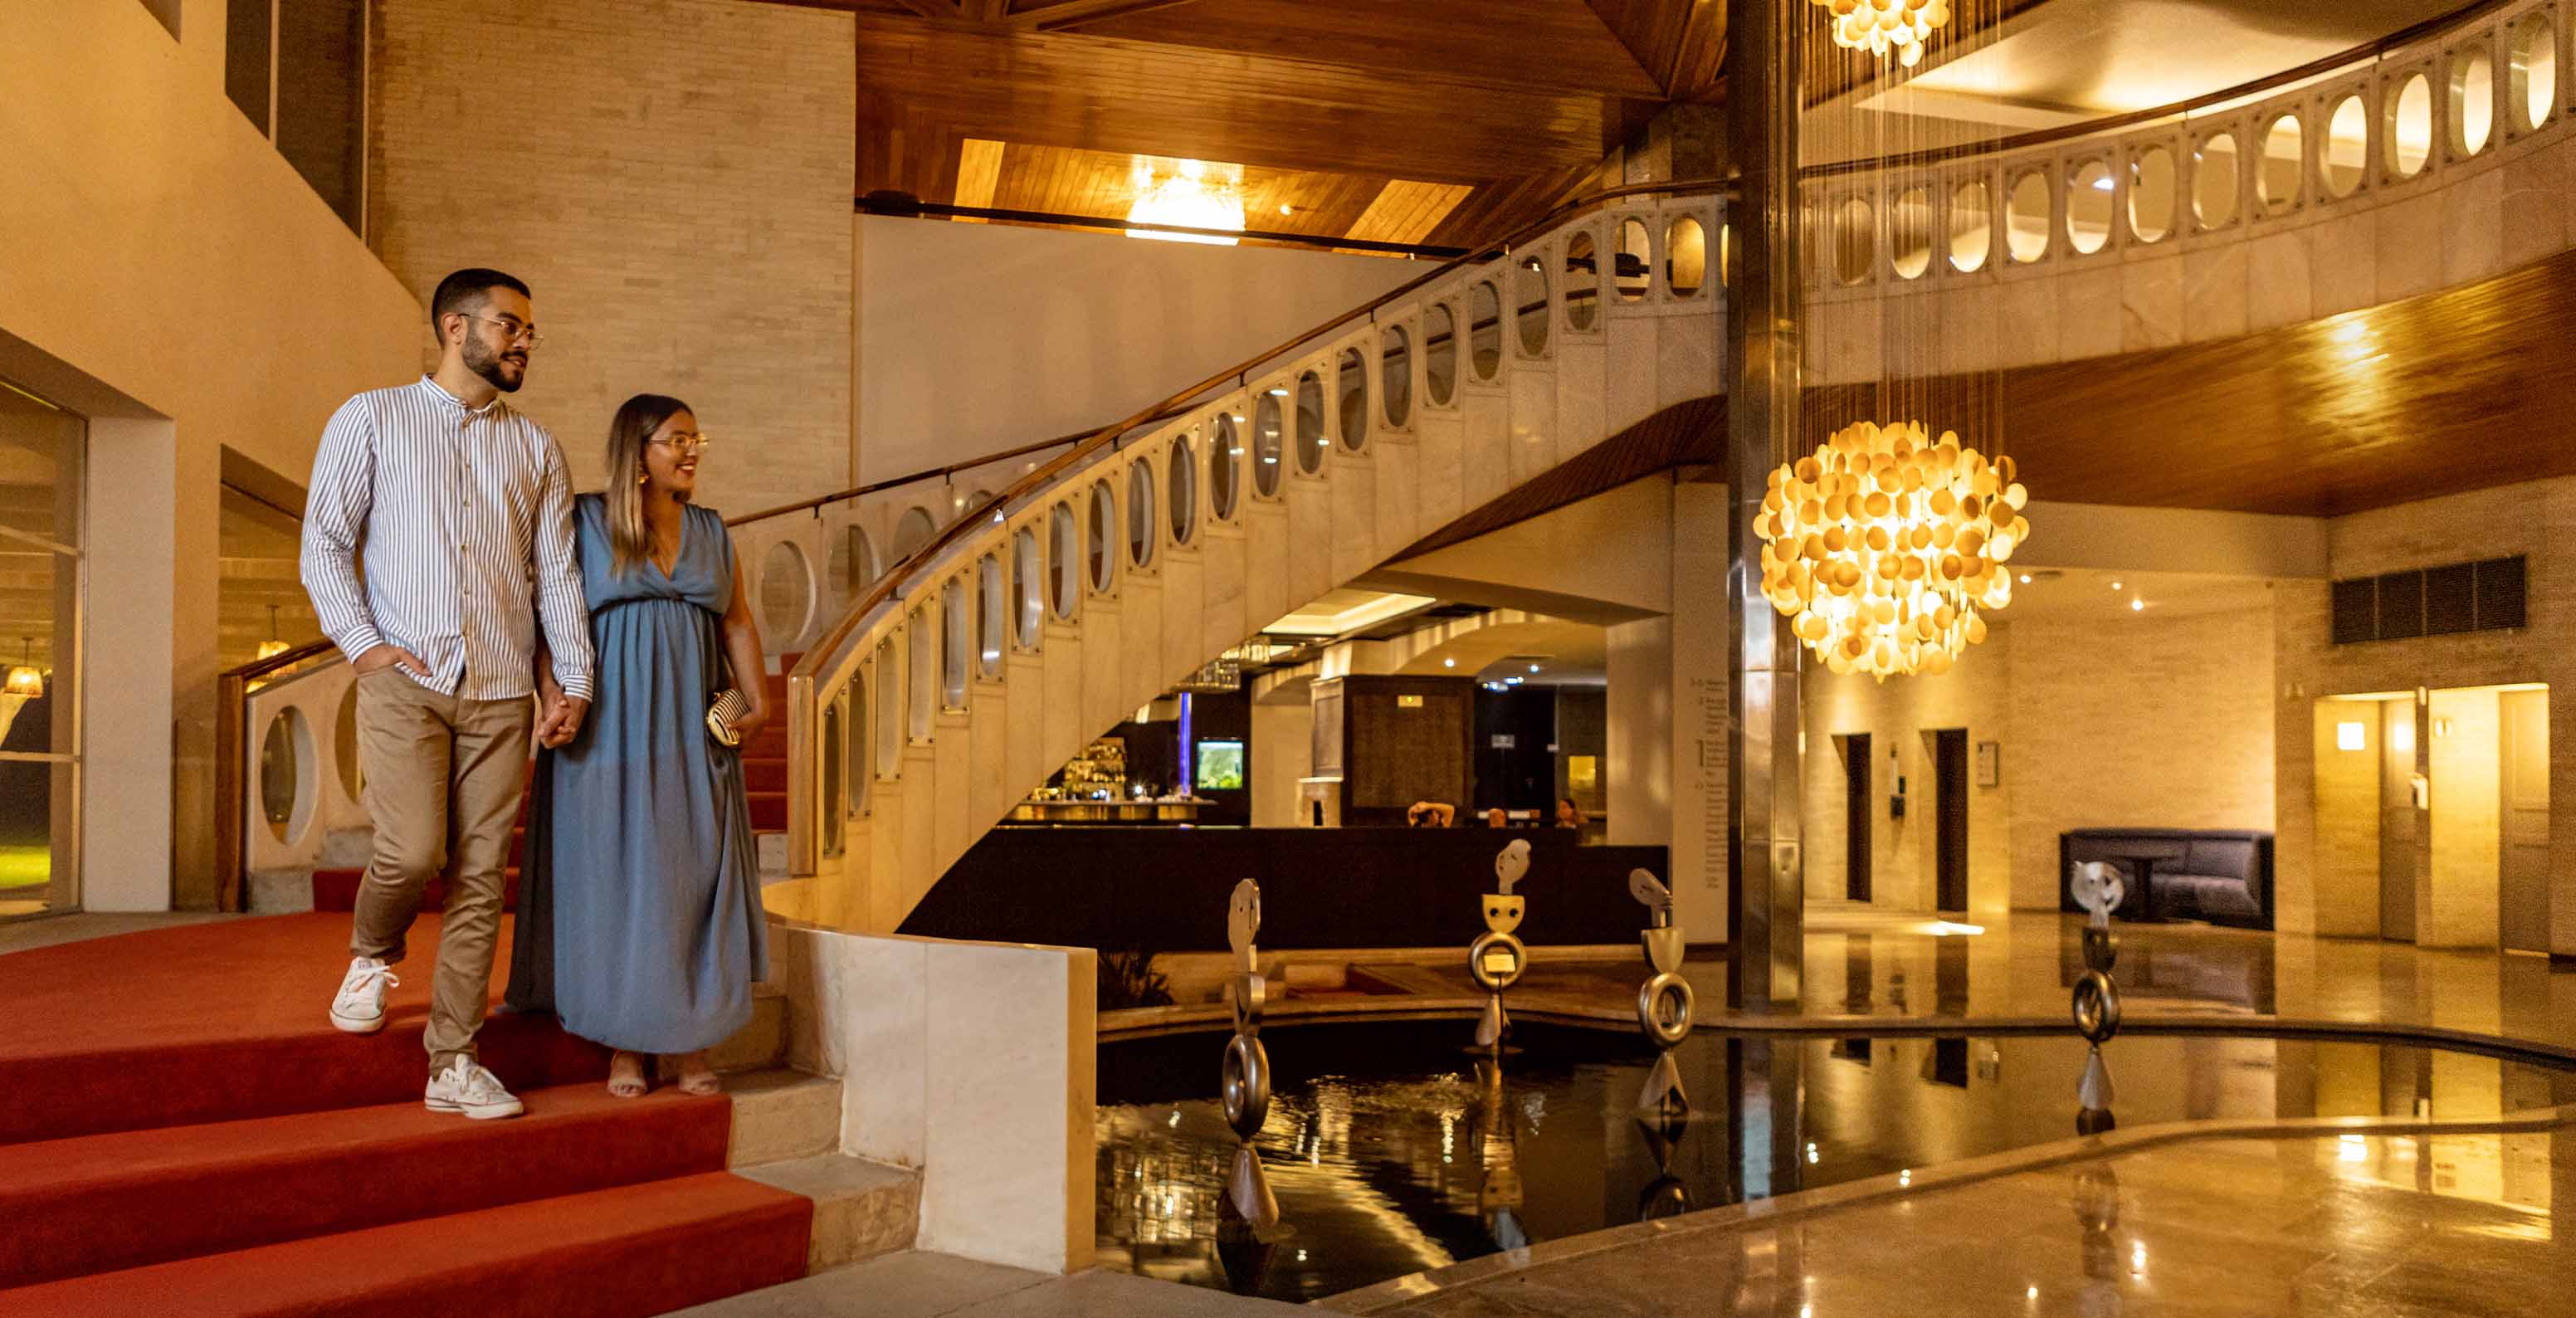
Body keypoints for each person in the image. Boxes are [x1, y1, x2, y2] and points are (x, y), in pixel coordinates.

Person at [303, 268, 594, 1121]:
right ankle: (370, 950)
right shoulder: (372, 417)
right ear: (452, 325)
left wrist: (570, 676)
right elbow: (324, 541)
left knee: (476, 880)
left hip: (503, 692)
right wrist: (364, 648)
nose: (522, 343)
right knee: (409, 853)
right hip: (408, 682)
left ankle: (453, 1061)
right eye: (509, 326)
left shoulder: (536, 447)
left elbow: (557, 577)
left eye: (529, 332)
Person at [505, 393, 771, 1098]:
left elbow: (738, 625)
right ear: (639, 453)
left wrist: (758, 701)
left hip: (696, 727)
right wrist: (552, 694)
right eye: (677, 440)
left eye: (696, 439)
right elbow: (547, 618)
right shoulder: (586, 520)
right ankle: (625, 1043)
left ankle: (690, 1041)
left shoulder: (713, 531)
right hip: (608, 731)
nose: (692, 451)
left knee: (694, 879)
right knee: (618, 885)